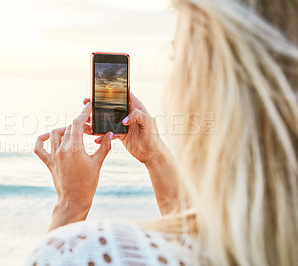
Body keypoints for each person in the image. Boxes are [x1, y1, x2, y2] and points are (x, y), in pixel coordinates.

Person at [31, 0, 298, 265]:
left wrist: (71, 205)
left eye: (176, 57)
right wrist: (155, 157)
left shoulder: (88, 251)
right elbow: (193, 239)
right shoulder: (264, 241)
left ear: (211, 77)